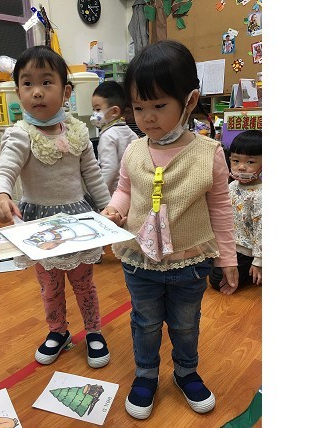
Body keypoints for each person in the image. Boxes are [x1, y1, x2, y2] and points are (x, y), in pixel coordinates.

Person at [101, 40, 239, 420]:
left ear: (189, 101)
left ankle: (185, 372)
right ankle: (146, 375)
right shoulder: (133, 150)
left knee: (185, 324)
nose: (147, 118)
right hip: (140, 261)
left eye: (159, 106)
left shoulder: (209, 153)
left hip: (190, 263)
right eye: (139, 107)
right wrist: (114, 209)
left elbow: (221, 209)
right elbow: (125, 189)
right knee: (144, 322)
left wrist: (228, 258)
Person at [0, 45, 111, 369]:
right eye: (27, 84)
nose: (37, 92)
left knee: (84, 283)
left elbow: (93, 175)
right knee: (50, 286)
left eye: (46, 82)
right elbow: (4, 171)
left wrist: (109, 210)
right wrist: (0, 195)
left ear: (66, 91)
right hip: (39, 227)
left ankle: (94, 330)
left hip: (78, 221)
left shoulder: (78, 132)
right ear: (18, 92)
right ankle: (58, 330)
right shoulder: (20, 134)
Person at [209, 130, 262, 290]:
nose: (241, 167)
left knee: (217, 281)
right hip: (228, 245)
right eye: (236, 160)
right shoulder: (231, 186)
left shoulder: (260, 194)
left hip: (247, 251)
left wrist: (258, 261)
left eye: (250, 162)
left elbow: (262, 229)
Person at [91, 80, 139, 195]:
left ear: (114, 111)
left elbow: (109, 168)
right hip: (133, 191)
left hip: (114, 194)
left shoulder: (108, 136)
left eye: (98, 109)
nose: (94, 114)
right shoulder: (131, 133)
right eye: (93, 110)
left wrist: (99, 193)